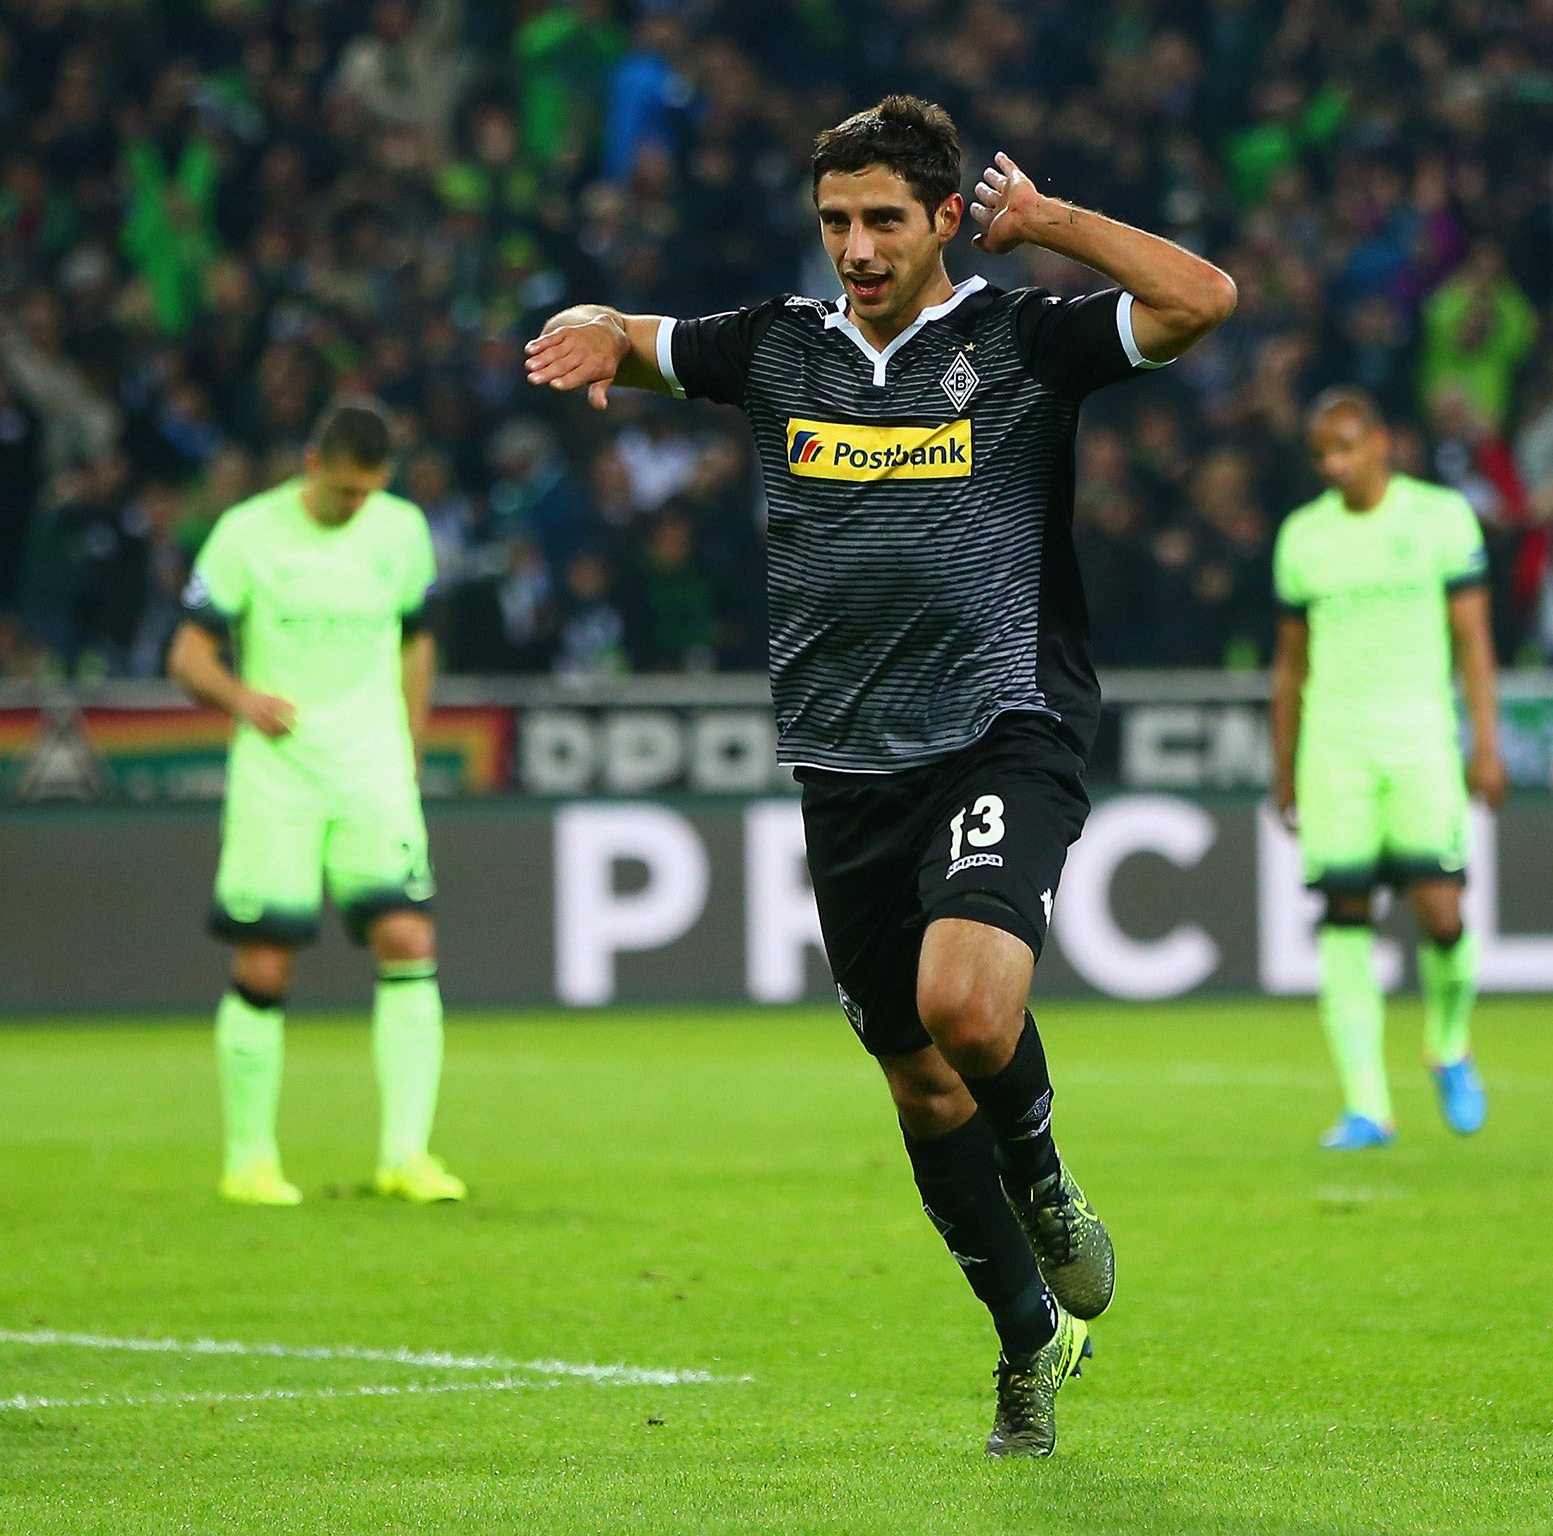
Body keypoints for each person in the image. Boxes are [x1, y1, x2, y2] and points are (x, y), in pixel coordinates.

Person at [525, 96, 1235, 1456]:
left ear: (941, 216)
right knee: (917, 1085)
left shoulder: (1018, 341)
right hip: (844, 764)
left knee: (968, 1012)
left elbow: (1204, 297)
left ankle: (1042, 1174)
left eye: (882, 221)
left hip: (999, 727)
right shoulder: (777, 352)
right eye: (836, 220)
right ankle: (1027, 1336)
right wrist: (597, 330)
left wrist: (1051, 230)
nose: (854, 245)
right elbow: (644, 340)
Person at [168, 401, 462, 1208]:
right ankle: (250, 1160)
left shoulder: (402, 531)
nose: (355, 506)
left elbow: (417, 641)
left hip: (372, 773)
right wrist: (242, 697)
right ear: (311, 465)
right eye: (343, 492)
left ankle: (407, 1154)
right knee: (264, 959)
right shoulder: (246, 534)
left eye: (368, 493)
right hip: (280, 776)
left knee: (409, 937)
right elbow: (187, 655)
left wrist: (409, 743)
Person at [1270, 388, 1505, 1149]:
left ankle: (1448, 1042)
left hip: (1421, 743)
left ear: (1379, 443)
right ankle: (1368, 1105)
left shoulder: (1440, 519)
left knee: (1443, 912)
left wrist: (1487, 745)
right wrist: (1284, 767)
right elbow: (1290, 666)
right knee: (1344, 920)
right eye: (1321, 454)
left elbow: (1474, 643)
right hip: (1335, 749)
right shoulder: (1304, 537)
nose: (1333, 464)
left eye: (1344, 446)